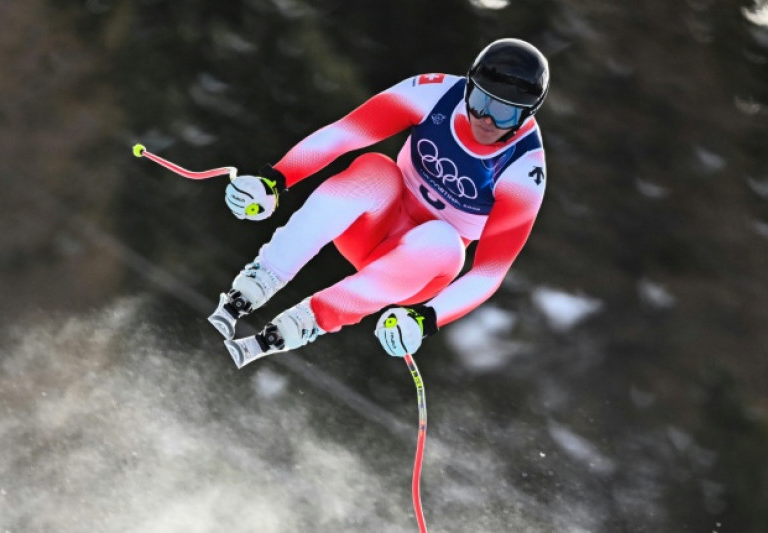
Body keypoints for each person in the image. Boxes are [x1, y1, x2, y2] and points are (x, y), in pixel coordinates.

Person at [209, 38, 550, 369]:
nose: (487, 119)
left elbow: (489, 273)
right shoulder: (434, 94)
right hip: (372, 226)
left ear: (526, 116)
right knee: (377, 169)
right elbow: (344, 134)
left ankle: (308, 320)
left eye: (505, 113)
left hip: (417, 268)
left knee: (445, 244)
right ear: (468, 87)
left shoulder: (523, 170)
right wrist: (275, 180)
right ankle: (261, 279)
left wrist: (425, 318)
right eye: (480, 101)